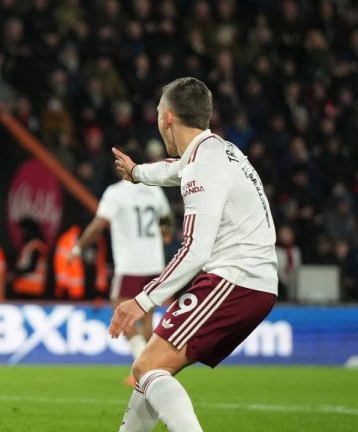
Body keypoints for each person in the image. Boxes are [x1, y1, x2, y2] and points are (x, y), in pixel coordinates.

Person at [109, 77, 277, 432]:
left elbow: (195, 249)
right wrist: (137, 172)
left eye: (158, 113)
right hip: (250, 281)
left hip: (235, 278)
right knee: (148, 368)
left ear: (167, 118)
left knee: (149, 367)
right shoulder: (218, 151)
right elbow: (173, 169)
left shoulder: (203, 166)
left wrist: (142, 300)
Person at [73, 173, 172, 386]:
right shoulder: (154, 190)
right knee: (147, 318)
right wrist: (164, 234)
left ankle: (142, 364)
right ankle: (150, 369)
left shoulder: (116, 192)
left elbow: (99, 224)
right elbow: (166, 218)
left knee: (120, 312)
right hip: (155, 263)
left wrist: (78, 248)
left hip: (129, 264)